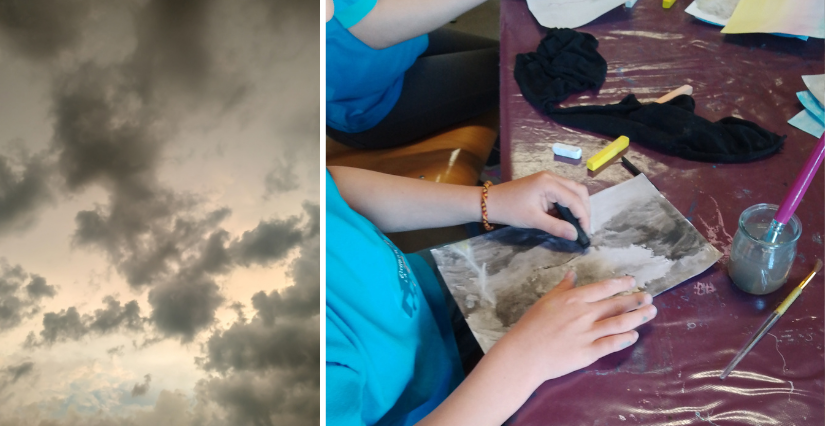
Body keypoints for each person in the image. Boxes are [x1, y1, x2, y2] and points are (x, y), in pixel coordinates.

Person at [326, 166, 658, 425]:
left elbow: (328, 188)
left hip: (424, 289)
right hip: (440, 405)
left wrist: (488, 201)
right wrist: (528, 357)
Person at [326, 0, 499, 149]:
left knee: (508, 55)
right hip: (369, 103)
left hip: (402, 44)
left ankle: (495, 149)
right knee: (513, 68)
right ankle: (494, 157)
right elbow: (375, 29)